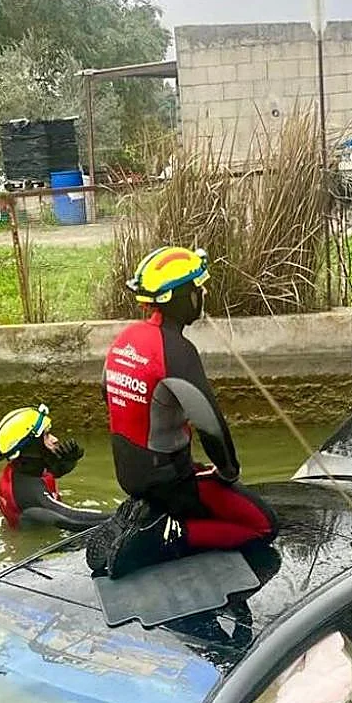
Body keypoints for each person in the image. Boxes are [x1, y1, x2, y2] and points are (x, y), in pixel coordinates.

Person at [90, 246, 279, 579]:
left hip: (130, 474)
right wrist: (228, 472)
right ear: (183, 297)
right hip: (170, 480)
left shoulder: (125, 339)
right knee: (263, 525)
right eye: (197, 288)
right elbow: (210, 425)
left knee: (199, 495)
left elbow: (107, 393)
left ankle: (144, 510)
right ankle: (165, 536)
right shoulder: (177, 350)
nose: (203, 294)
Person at [0, 404, 111, 532]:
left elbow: (49, 474)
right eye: (46, 435)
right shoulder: (27, 492)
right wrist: (122, 517)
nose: (55, 439)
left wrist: (67, 463)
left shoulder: (23, 468)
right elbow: (71, 519)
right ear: (32, 447)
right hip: (42, 543)